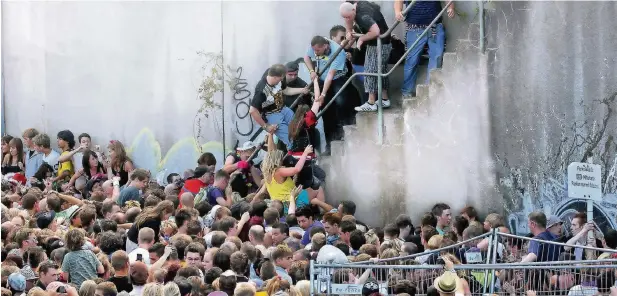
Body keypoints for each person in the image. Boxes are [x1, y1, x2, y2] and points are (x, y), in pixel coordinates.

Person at [395, 0, 454, 98]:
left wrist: (450, 8)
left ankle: (429, 90)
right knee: (412, 61)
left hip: (435, 27)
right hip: (414, 28)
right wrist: (397, 11)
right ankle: (406, 92)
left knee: (437, 58)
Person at [340, 1, 392, 112]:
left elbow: (376, 31)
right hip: (381, 43)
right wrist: (349, 31)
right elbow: (348, 19)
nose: (347, 19)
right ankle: (384, 99)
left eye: (348, 17)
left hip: (379, 44)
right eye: (344, 17)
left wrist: (362, 39)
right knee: (379, 71)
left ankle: (371, 102)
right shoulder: (355, 7)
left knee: (370, 71)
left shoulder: (363, 15)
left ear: (353, 10)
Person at [249, 64, 310, 149]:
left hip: (283, 109)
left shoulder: (277, 76)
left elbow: (286, 90)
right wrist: (266, 126)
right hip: (271, 115)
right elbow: (252, 110)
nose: (282, 80)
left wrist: (302, 90)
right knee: (290, 139)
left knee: (299, 129)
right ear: (274, 77)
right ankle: (294, 157)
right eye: (280, 79)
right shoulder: (261, 91)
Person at [304, 35, 349, 149]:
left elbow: (330, 75)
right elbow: (306, 57)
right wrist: (311, 71)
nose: (316, 53)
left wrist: (323, 94)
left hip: (337, 78)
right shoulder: (315, 46)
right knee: (325, 110)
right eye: (314, 50)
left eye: (318, 51)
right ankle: (330, 143)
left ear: (325, 46)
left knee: (341, 102)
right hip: (322, 78)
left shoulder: (338, 52)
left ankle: (343, 133)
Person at [285, 95, 327, 191]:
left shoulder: (292, 125)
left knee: (300, 182)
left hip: (292, 157)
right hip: (305, 158)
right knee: (321, 176)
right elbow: (316, 105)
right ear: (306, 114)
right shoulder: (308, 124)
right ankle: (316, 197)